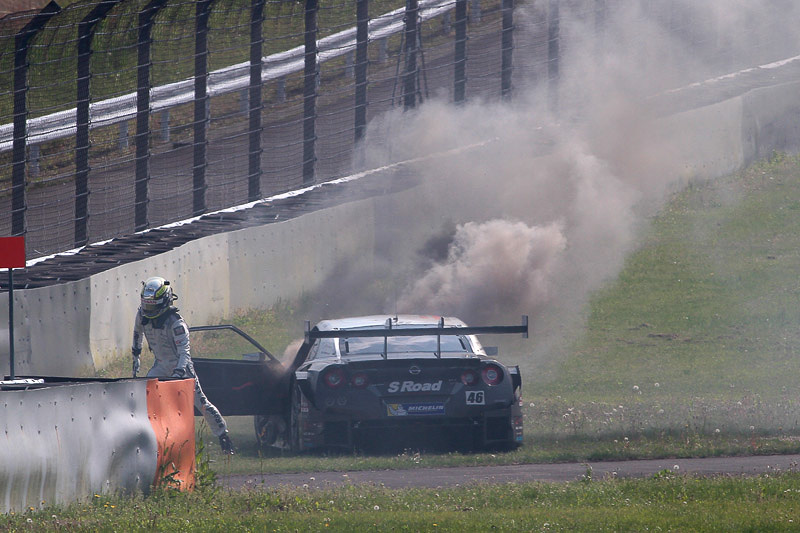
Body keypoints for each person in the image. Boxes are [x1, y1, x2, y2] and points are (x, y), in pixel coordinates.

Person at [131, 276, 234, 455]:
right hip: (160, 365)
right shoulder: (141, 315)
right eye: (146, 304)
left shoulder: (176, 323)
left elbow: (185, 352)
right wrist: (136, 355)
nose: (148, 309)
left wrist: (179, 373)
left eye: (152, 305)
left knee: (202, 404)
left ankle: (223, 436)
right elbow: (137, 333)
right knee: (145, 398)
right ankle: (147, 440)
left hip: (182, 368)